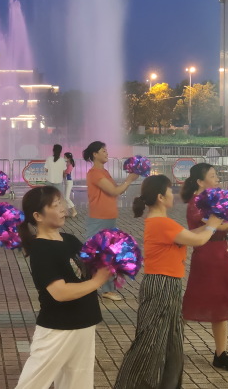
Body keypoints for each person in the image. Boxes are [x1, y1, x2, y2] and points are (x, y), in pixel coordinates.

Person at [114, 175, 223, 389]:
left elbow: (188, 235)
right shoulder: (162, 223)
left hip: (167, 284)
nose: (173, 195)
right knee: (151, 341)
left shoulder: (161, 223)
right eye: (170, 191)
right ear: (161, 197)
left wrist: (211, 224)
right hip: (161, 285)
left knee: (171, 340)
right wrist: (212, 224)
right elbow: (198, 240)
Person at [14, 186, 111, 388]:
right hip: (57, 328)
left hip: (85, 322)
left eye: (61, 203)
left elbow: (91, 267)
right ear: (38, 216)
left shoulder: (70, 240)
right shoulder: (41, 249)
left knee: (78, 382)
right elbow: (60, 292)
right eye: (55, 205)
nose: (62, 209)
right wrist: (97, 282)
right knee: (32, 384)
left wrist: (112, 258)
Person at [180, 163, 228, 372]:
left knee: (221, 303)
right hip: (207, 256)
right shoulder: (197, 203)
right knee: (194, 303)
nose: (217, 179)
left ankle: (221, 354)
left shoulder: (214, 199)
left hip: (223, 252)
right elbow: (217, 227)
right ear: (200, 181)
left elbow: (226, 224)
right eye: (212, 176)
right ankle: (170, 344)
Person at [82, 141, 137, 301]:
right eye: (103, 151)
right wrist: (129, 180)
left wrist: (128, 180)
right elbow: (114, 191)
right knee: (98, 255)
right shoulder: (95, 173)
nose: (107, 153)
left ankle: (105, 289)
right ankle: (93, 287)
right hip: (99, 219)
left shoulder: (104, 172)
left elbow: (115, 191)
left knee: (107, 255)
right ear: (95, 154)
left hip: (108, 218)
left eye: (106, 150)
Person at [63, 152, 77, 218]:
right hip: (67, 181)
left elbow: (65, 174)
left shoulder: (70, 165)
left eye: (65, 157)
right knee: (65, 197)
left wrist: (62, 172)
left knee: (66, 198)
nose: (64, 158)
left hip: (69, 182)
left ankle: (74, 211)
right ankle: (66, 212)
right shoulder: (68, 164)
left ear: (68, 158)